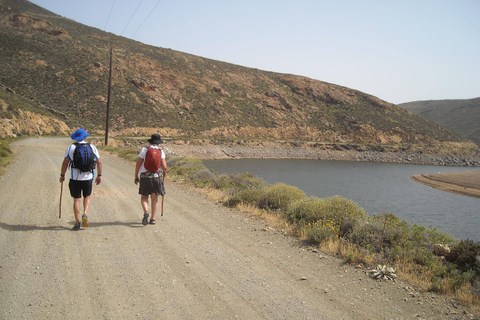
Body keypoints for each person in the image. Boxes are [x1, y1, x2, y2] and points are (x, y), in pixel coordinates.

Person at [60, 128, 103, 230]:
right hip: (88, 177)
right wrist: (99, 175)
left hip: (75, 178)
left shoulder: (71, 148)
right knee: (87, 196)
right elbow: (99, 163)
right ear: (85, 137)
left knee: (76, 199)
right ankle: (85, 213)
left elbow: (65, 163)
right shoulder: (92, 147)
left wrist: (62, 175)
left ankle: (77, 222)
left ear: (76, 138)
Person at [134, 133, 167, 225]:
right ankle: (153, 219)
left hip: (145, 177)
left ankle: (146, 211)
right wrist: (164, 172)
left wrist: (136, 175)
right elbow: (164, 166)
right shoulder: (161, 151)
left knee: (144, 196)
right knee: (154, 197)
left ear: (151, 141)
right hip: (156, 177)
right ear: (158, 142)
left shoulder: (145, 149)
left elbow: (139, 164)